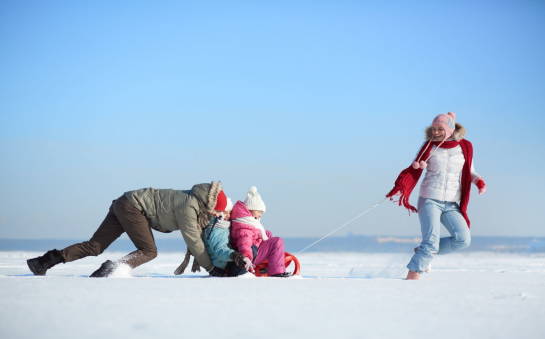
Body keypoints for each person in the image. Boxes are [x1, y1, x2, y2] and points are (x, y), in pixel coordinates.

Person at [27, 181, 229, 277]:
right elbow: (193, 240)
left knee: (95, 246)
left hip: (123, 202)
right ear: (209, 204)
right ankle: (111, 269)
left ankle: (43, 262)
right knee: (149, 251)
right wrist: (212, 268)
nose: (214, 215)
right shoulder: (188, 206)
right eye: (215, 212)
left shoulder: (192, 199)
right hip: (133, 208)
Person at [386, 113, 487, 280]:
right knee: (431, 242)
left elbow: (470, 171)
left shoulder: (466, 146)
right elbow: (415, 167)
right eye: (434, 129)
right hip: (429, 199)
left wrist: (479, 182)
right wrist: (407, 179)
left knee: (463, 240)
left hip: (452, 202)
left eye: (441, 129)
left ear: (450, 129)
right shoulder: (429, 146)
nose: (437, 132)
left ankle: (423, 252)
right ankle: (412, 278)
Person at [230, 186, 290, 277]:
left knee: (267, 233)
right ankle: (276, 271)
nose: (261, 215)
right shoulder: (245, 226)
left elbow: (252, 236)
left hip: (254, 249)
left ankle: (272, 259)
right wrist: (246, 258)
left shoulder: (245, 221)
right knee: (277, 241)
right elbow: (244, 243)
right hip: (250, 255)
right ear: (251, 209)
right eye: (259, 212)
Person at [201, 197, 253, 277]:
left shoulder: (223, 226)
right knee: (253, 250)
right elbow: (220, 250)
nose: (228, 215)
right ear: (218, 213)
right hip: (224, 267)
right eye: (225, 212)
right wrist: (235, 256)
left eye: (230, 212)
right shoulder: (215, 229)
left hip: (227, 263)